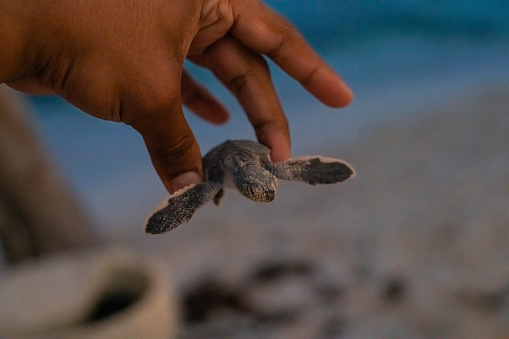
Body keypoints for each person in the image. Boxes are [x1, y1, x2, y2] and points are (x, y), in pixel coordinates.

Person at [0, 0, 352, 194]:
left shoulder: (264, 170)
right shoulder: (219, 176)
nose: (266, 193)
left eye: (265, 189)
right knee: (197, 188)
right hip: (215, 167)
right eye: (263, 190)